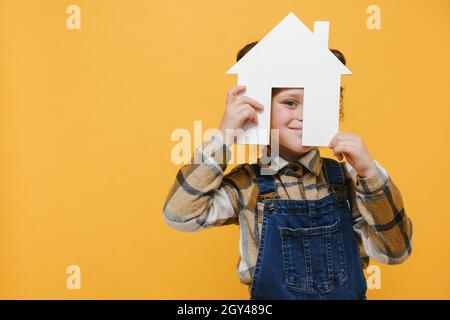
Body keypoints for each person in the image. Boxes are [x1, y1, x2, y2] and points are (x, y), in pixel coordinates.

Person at [163, 42, 413, 300]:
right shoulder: (248, 184)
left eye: (317, 102)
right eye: (291, 102)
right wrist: (223, 139)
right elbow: (180, 215)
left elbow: (396, 251)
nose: (304, 115)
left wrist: (369, 174)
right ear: (260, 108)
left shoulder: (349, 181)